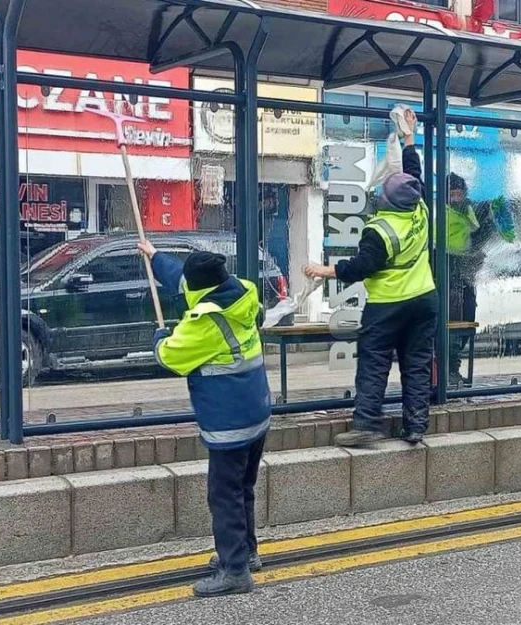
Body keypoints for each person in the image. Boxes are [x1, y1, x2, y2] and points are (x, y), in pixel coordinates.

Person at [138, 240, 271, 597]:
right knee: (243, 488)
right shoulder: (239, 292)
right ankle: (247, 553)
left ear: (202, 288)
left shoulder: (206, 321)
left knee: (223, 495)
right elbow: (182, 280)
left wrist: (160, 338)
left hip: (229, 422)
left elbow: (170, 356)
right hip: (256, 412)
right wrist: (155, 256)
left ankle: (235, 571)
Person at [304, 109, 437, 447]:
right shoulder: (419, 208)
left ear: (385, 200)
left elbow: (363, 267)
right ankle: (416, 427)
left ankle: (366, 424)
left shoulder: (380, 229)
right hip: (424, 299)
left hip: (388, 304)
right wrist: (409, 137)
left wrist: (325, 270)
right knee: (417, 362)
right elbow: (413, 173)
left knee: (375, 361)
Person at [444, 172, 516, 387]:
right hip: (448, 276)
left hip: (465, 277)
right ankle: (449, 369)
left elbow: (483, 230)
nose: (456, 198)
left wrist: (495, 217)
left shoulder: (469, 210)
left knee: (466, 323)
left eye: (459, 193)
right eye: (452, 194)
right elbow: (455, 247)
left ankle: (451, 368)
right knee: (452, 326)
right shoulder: (443, 213)